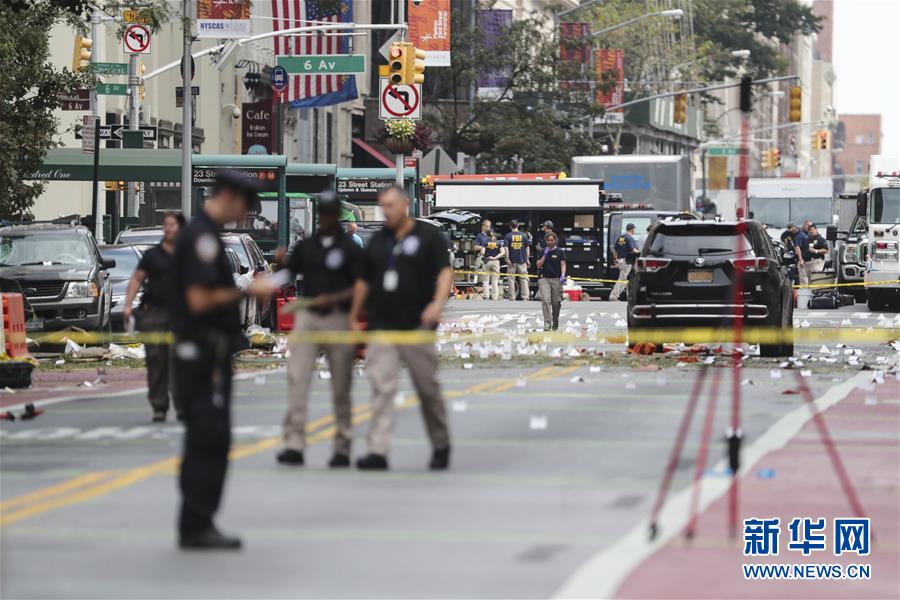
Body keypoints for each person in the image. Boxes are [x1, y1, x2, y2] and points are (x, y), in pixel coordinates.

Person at [170, 171, 270, 550]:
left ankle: (200, 520)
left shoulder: (207, 235)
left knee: (212, 437)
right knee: (207, 437)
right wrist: (247, 291)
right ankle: (196, 522)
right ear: (227, 196)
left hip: (211, 352)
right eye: (242, 205)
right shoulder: (200, 238)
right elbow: (198, 300)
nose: (242, 214)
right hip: (202, 353)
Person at [349, 186, 452, 471]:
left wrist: (437, 304)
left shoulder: (427, 236)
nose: (387, 211)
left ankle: (440, 445)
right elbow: (364, 280)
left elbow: (445, 272)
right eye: (383, 206)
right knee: (381, 389)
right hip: (383, 327)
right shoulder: (378, 241)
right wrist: (354, 315)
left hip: (417, 326)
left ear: (405, 204)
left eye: (391, 205)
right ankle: (377, 450)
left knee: (427, 389)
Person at [268, 192, 364, 468]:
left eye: (331, 213)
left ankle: (342, 447)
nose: (327, 218)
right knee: (298, 379)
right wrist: (278, 267)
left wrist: (350, 314)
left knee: (341, 385)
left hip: (337, 317)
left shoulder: (349, 248)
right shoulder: (307, 246)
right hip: (308, 317)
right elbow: (288, 273)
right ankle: (294, 444)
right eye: (324, 213)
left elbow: (360, 285)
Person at [123, 212, 185, 423]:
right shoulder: (152, 255)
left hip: (180, 313)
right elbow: (136, 279)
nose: (169, 229)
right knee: (156, 359)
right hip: (154, 313)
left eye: (173, 225)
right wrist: (128, 305)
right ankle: (159, 406)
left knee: (179, 360)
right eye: (166, 225)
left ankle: (182, 405)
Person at [536, 232, 566, 331]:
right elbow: (538, 265)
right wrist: (545, 254)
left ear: (555, 240)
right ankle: (547, 324)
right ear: (546, 241)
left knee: (556, 302)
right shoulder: (543, 251)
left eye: (552, 240)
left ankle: (555, 319)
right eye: (548, 240)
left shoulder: (560, 252)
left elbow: (563, 264)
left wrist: (563, 275)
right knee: (546, 300)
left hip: (556, 279)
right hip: (544, 279)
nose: (550, 242)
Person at [609, 223, 640, 301]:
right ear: (632, 229)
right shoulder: (629, 238)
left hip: (620, 261)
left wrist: (615, 259)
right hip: (626, 261)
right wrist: (640, 255)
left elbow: (614, 250)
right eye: (634, 229)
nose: (634, 230)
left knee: (624, 279)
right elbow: (633, 249)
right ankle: (613, 296)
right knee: (622, 279)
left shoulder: (621, 238)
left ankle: (618, 295)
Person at [503, 220, 530, 300]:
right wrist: (527, 259)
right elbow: (527, 248)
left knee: (511, 279)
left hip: (511, 261)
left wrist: (507, 259)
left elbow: (506, 248)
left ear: (510, 226)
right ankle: (525, 297)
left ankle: (512, 297)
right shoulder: (524, 235)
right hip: (522, 260)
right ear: (518, 225)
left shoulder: (507, 236)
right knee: (524, 278)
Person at [480, 229, 503, 300]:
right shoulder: (498, 242)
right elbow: (503, 252)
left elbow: (482, 252)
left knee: (485, 280)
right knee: (495, 281)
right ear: (494, 234)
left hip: (487, 261)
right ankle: (495, 297)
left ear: (487, 235)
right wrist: (495, 257)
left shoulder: (485, 242)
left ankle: (486, 296)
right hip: (495, 262)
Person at [793, 221, 812, 285]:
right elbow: (797, 247)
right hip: (803, 261)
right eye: (808, 225)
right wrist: (801, 259)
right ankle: (804, 291)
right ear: (804, 226)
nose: (809, 227)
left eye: (810, 226)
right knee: (804, 279)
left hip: (809, 260)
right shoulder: (800, 235)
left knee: (810, 279)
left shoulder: (808, 234)